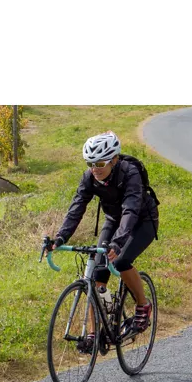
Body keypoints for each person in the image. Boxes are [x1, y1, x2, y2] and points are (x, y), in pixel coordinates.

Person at [52, 131, 159, 347]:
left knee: (120, 261)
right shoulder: (90, 177)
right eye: (90, 163)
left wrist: (118, 243)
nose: (95, 169)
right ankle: (94, 333)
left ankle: (142, 305)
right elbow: (77, 207)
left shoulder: (130, 173)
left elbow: (130, 210)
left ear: (114, 160)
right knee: (97, 273)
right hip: (113, 220)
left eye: (100, 163)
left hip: (142, 221)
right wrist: (60, 237)